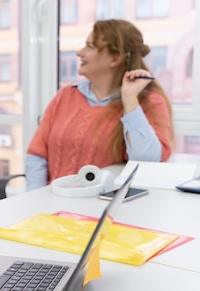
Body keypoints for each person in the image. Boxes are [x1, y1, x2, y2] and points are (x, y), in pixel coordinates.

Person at [25, 19, 174, 190]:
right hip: (53, 204)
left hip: (104, 208)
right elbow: (37, 153)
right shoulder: (66, 95)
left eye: (89, 46)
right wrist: (33, 196)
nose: (79, 53)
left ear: (115, 59)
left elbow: (148, 162)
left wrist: (129, 99)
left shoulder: (149, 101)